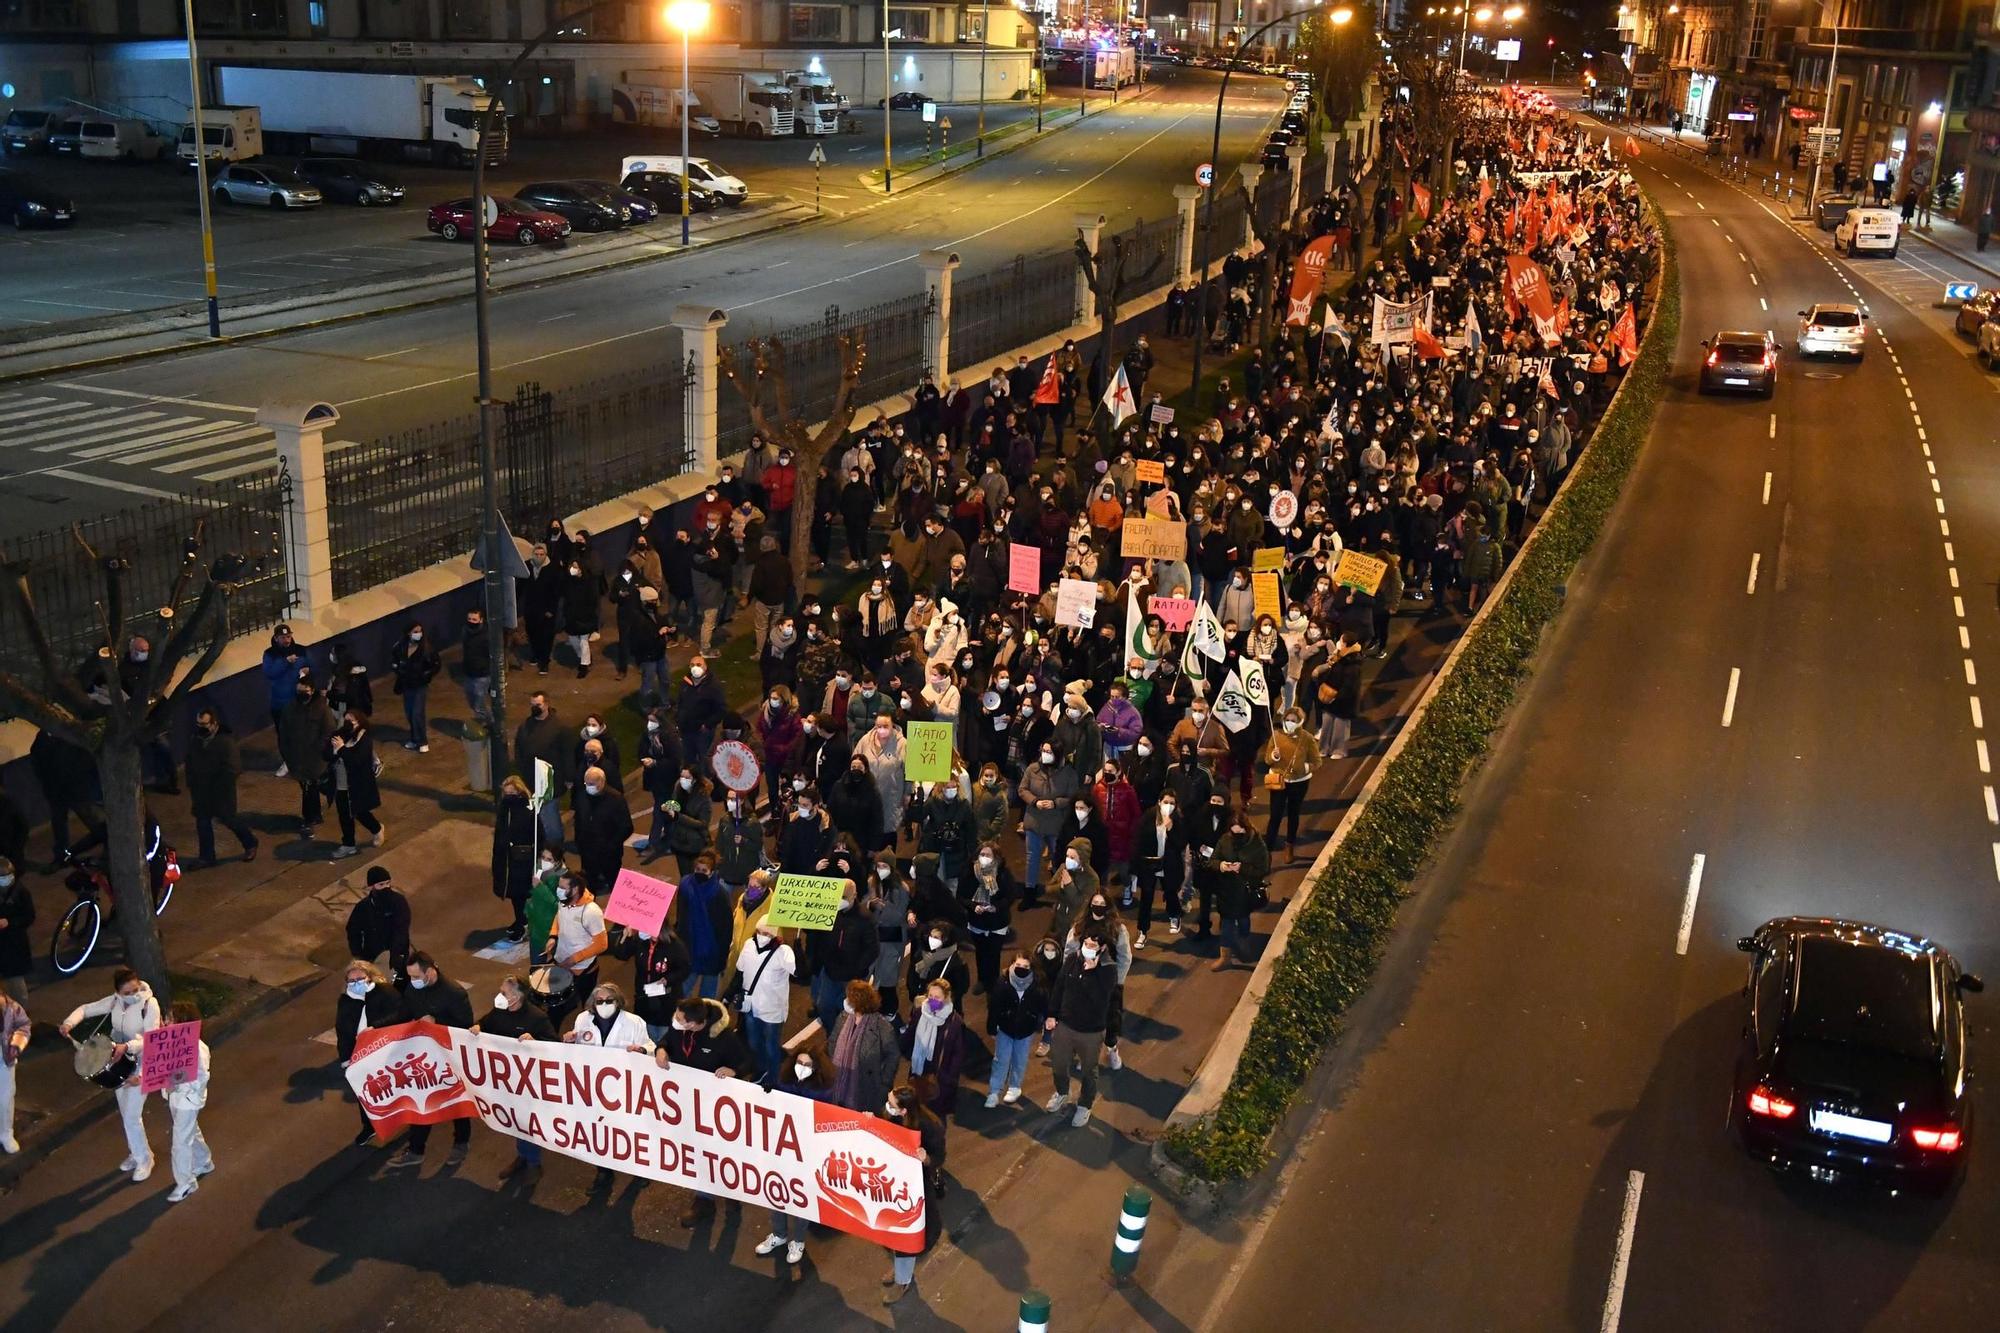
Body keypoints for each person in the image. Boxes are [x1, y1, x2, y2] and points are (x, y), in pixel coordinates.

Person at [391, 952, 476, 1168]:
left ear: (430, 971)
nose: (413, 981)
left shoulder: (453, 993)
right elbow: (403, 1014)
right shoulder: (413, 989)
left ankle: (461, 1142)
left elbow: (466, 1026)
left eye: (416, 976)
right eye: (410, 977)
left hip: (450, 1057)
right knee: (423, 1100)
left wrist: (437, 1021)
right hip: (425, 1057)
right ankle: (416, 1148)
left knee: (457, 1102)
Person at [754, 1042, 833, 1265]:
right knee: (776, 1190)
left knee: (801, 1197)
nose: (802, 1067)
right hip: (781, 1148)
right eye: (799, 1062)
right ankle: (779, 1234)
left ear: (816, 1068)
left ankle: (798, 1240)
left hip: (806, 1152)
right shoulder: (783, 1079)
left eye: (807, 1064)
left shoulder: (823, 1090)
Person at [473, 975, 556, 1183]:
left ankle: (533, 1162)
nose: (500, 996)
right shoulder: (499, 1011)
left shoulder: (536, 1018)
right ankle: (523, 1156)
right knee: (516, 1120)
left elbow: (553, 1045)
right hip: (507, 1080)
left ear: (518, 996)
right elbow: (485, 1023)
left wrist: (534, 1041)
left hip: (530, 1082)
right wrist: (477, 1028)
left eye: (504, 993)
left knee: (528, 1121)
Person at [1042, 927, 1116, 1127]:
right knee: (1058, 1064)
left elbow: (1101, 1000)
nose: (1088, 948)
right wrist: (1052, 1013)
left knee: (1088, 1071)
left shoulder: (1108, 970)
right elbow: (1059, 987)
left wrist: (1091, 974)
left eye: (1093, 945)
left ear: (1102, 949)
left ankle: (1085, 1104)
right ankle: (1062, 1092)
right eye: (1086, 944)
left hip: (1091, 1031)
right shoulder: (1072, 960)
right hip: (1066, 1025)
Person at [879, 1084, 946, 1305]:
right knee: (893, 1231)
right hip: (892, 1183)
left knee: (906, 1233)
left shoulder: (928, 1126)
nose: (887, 1106)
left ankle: (903, 1280)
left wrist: (926, 1158)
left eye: (891, 1103)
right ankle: (900, 1266)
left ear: (905, 1110)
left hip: (914, 1190)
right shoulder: (892, 1116)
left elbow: (938, 1157)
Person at [335, 959, 409, 1147]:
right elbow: (342, 1030)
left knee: (394, 1085)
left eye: (360, 978)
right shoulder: (346, 1001)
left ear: (370, 977)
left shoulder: (385, 992)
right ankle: (369, 1126)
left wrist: (376, 1027)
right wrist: (345, 1059)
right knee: (365, 1090)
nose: (356, 984)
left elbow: (401, 1014)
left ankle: (404, 1116)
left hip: (386, 1050)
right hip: (361, 1053)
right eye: (352, 981)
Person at [185, 708, 257, 866]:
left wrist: (219, 785)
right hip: (201, 791)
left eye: (204, 724)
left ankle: (250, 843)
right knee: (203, 823)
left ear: (214, 724)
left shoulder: (225, 742)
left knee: (229, 819)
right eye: (198, 724)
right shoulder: (195, 740)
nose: (200, 727)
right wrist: (191, 782)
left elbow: (233, 768)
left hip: (220, 792)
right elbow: (189, 762)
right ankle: (206, 856)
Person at [160, 998, 214, 1202]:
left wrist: (172, 1080)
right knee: (192, 1131)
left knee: (180, 1141)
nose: (166, 1022)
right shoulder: (171, 1042)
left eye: (170, 1019)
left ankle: (186, 1182)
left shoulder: (198, 1048)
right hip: (176, 1097)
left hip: (188, 1100)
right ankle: (204, 1161)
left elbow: (198, 1074)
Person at [733, 919, 796, 1083]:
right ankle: (761, 1070)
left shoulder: (783, 952)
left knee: (771, 1046)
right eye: (760, 932)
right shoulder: (749, 945)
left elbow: (800, 974)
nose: (762, 936)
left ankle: (773, 1078)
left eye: (767, 933)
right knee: (754, 1043)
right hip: (751, 1008)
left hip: (772, 1011)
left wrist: (799, 952)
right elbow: (740, 971)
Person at [1209, 806, 1269, 970]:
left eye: (1239, 833)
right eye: (1233, 833)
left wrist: (1241, 868)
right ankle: (1225, 957)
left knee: (1243, 920)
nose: (1236, 836)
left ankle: (1244, 940)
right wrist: (1222, 865)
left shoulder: (1256, 844)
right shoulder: (1225, 840)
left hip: (1244, 892)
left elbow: (1263, 869)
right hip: (1227, 891)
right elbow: (1213, 860)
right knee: (1227, 923)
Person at [985, 952, 1047, 1108]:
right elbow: (994, 1007)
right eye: (1018, 965)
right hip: (1005, 1028)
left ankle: (1014, 1086)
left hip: (1025, 1030)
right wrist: (992, 1028)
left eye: (1026, 966)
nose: (1021, 969)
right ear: (1012, 965)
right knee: (1001, 1060)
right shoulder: (1003, 982)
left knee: (1019, 1060)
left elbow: (1043, 1005)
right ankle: (994, 1091)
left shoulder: (1036, 984)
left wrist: (1038, 1022)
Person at [828, 979, 900, 1114]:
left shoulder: (882, 1027)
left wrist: (884, 1083)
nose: (846, 1001)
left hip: (867, 1086)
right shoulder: (844, 1017)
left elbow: (893, 1056)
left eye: (849, 998)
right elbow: (833, 1041)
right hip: (840, 1080)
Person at [547, 872, 609, 1026]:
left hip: (583, 970)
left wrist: (575, 959)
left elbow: (602, 944)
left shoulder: (591, 912)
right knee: (554, 1008)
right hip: (561, 963)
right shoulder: (563, 902)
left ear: (574, 889)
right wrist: (553, 936)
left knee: (588, 1008)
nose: (558, 890)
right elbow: (558, 917)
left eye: (562, 887)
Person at [279, 677, 337, 839]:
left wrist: (318, 749)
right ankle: (315, 815)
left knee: (308, 788)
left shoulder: (321, 709)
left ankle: (309, 819)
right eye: (299, 691)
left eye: (304, 691)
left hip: (314, 759)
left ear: (312, 691)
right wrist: (286, 754)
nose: (301, 694)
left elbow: (328, 731)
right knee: (308, 787)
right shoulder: (290, 709)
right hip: (297, 758)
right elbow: (283, 733)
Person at [900, 978, 965, 1120]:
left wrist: (948, 1078)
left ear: (946, 998)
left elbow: (957, 1055)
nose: (932, 1000)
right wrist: (907, 1053)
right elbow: (909, 1036)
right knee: (916, 1111)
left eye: (937, 997)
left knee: (934, 1117)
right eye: (930, 996)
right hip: (918, 1071)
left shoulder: (954, 1022)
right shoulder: (919, 1013)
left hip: (939, 1078)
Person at [324, 710, 384, 858]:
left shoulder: (364, 740)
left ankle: (377, 828)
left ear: (360, 722)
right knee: (344, 815)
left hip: (357, 784)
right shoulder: (341, 734)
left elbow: (357, 761)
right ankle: (348, 844)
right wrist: (333, 750)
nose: (348, 724)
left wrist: (341, 749)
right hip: (340, 784)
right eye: (346, 720)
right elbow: (326, 754)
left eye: (351, 721)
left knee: (360, 812)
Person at [1263, 705, 1321, 857]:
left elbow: (1317, 761)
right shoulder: (1276, 736)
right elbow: (1267, 759)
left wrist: (1304, 768)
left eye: (1293, 720)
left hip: (1299, 783)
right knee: (1275, 815)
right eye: (1287, 720)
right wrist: (1274, 757)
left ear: (1300, 722)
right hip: (1278, 780)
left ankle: (1289, 845)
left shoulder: (1307, 739)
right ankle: (1267, 849)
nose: (1289, 723)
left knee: (1293, 814)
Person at [962, 842, 1018, 995]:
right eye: (982, 854)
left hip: (997, 922)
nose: (984, 858)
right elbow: (961, 896)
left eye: (988, 855)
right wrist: (973, 906)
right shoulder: (970, 873)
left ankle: (993, 981)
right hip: (977, 921)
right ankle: (982, 980)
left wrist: (996, 907)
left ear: (996, 858)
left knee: (994, 953)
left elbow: (1010, 896)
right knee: (980, 951)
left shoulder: (1003, 874)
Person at [676, 849, 734, 997]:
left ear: (712, 872)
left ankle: (704, 1015)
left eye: (704, 870)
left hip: (712, 949)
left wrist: (723, 952)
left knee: (707, 994)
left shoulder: (719, 894)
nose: (700, 873)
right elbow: (681, 914)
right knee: (683, 990)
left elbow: (725, 925)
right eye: (698, 869)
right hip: (691, 945)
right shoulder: (685, 886)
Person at [571, 765, 633, 895]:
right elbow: (578, 821)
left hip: (609, 855)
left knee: (615, 886)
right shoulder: (582, 797)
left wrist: (611, 845)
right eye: (586, 783)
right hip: (588, 854)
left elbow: (626, 827)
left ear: (602, 782)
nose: (588, 786)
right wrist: (579, 842)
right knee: (589, 889)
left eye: (592, 783)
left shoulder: (616, 799)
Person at [492, 775, 538, 941]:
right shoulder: (504, 809)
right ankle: (520, 920)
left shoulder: (528, 810)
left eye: (512, 793)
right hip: (507, 861)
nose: (508, 796)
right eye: (506, 793)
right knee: (515, 896)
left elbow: (538, 835)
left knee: (521, 895)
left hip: (521, 862)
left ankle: (523, 923)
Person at [345, 865, 412, 977]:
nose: (386, 887)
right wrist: (359, 956)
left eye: (388, 883)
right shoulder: (363, 907)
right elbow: (353, 931)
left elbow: (402, 929)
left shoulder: (398, 902)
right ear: (372, 886)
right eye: (381, 884)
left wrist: (395, 954)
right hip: (373, 957)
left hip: (397, 956)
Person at [390, 621, 441, 752]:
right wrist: (398, 670)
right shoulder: (400, 646)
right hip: (407, 684)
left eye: (420, 631)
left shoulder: (427, 648)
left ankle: (422, 741)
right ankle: (414, 738)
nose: (418, 634)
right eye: (415, 631)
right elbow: (395, 661)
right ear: (408, 633)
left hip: (420, 685)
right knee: (409, 712)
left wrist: (425, 675)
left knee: (417, 713)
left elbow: (436, 665)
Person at [1, 980, 30, 1152]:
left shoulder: (11, 1008)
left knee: (5, 1100)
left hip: (4, 1062)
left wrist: (16, 1044)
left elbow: (24, 1025)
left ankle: (6, 1133)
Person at [0, 859, 34, 997]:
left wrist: (10, 922)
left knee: (16, 983)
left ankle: (20, 1013)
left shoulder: (21, 892)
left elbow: (29, 916)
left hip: (14, 944)